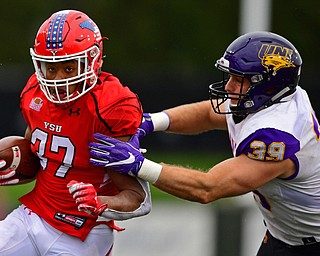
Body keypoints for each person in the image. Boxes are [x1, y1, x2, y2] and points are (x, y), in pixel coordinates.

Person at [88, 31, 320, 255]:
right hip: (284, 236)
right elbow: (208, 114)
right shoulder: (273, 98)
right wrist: (150, 121)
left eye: (238, 79)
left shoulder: (278, 136)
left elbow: (208, 188)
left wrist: (138, 165)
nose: (228, 86)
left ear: (267, 85)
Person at [0, 9, 151, 256]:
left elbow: (138, 198)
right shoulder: (34, 93)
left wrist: (100, 202)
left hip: (84, 232)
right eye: (51, 68)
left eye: (68, 69)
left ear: (93, 60)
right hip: (34, 216)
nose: (58, 79)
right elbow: (37, 158)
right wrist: (13, 165)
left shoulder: (110, 107)